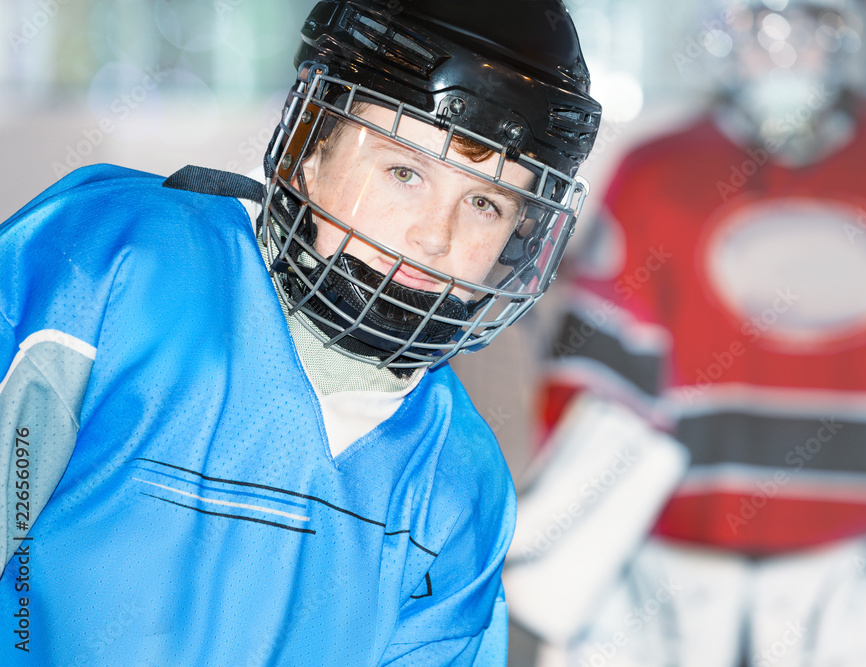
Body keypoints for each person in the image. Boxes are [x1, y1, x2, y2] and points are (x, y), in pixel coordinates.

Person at [0, 1, 600, 664]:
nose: (436, 236)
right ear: (311, 149)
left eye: (486, 203)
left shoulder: (460, 482)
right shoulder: (111, 270)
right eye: (404, 172)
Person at [515, 0, 866, 665]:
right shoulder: (656, 173)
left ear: (847, 34)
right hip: (671, 563)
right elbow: (592, 382)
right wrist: (567, 530)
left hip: (865, 567)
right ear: (724, 34)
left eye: (808, 25)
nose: (783, 48)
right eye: (759, 25)